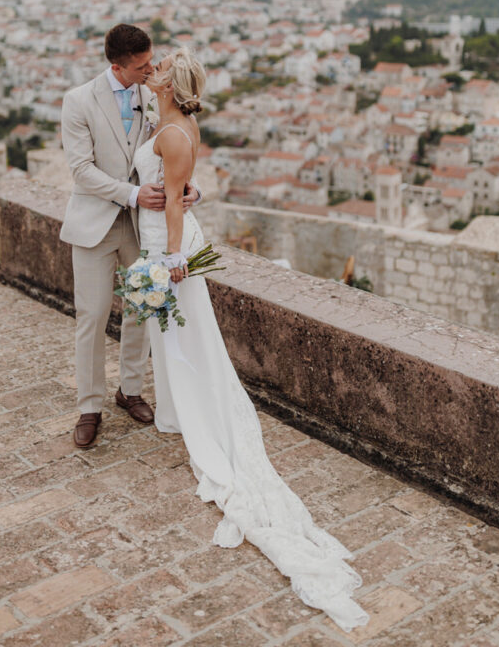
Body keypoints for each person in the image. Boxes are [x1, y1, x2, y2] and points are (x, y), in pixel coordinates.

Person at [135, 47, 369, 634]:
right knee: (179, 338)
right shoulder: (177, 122)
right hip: (172, 238)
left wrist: (169, 262)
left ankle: (192, 415)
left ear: (169, 82)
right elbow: (183, 188)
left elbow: (174, 204)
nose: (151, 70)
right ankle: (178, 411)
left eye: (157, 68)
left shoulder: (171, 132)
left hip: (170, 248)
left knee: (182, 338)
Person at [59, 24, 199, 449]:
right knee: (93, 316)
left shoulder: (152, 93)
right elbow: (81, 170)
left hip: (143, 227)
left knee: (142, 310)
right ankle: (89, 406)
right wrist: (134, 194)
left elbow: (173, 151)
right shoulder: (78, 101)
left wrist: (189, 188)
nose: (151, 69)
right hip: (95, 224)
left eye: (151, 61)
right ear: (115, 65)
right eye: (141, 66)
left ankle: (131, 390)